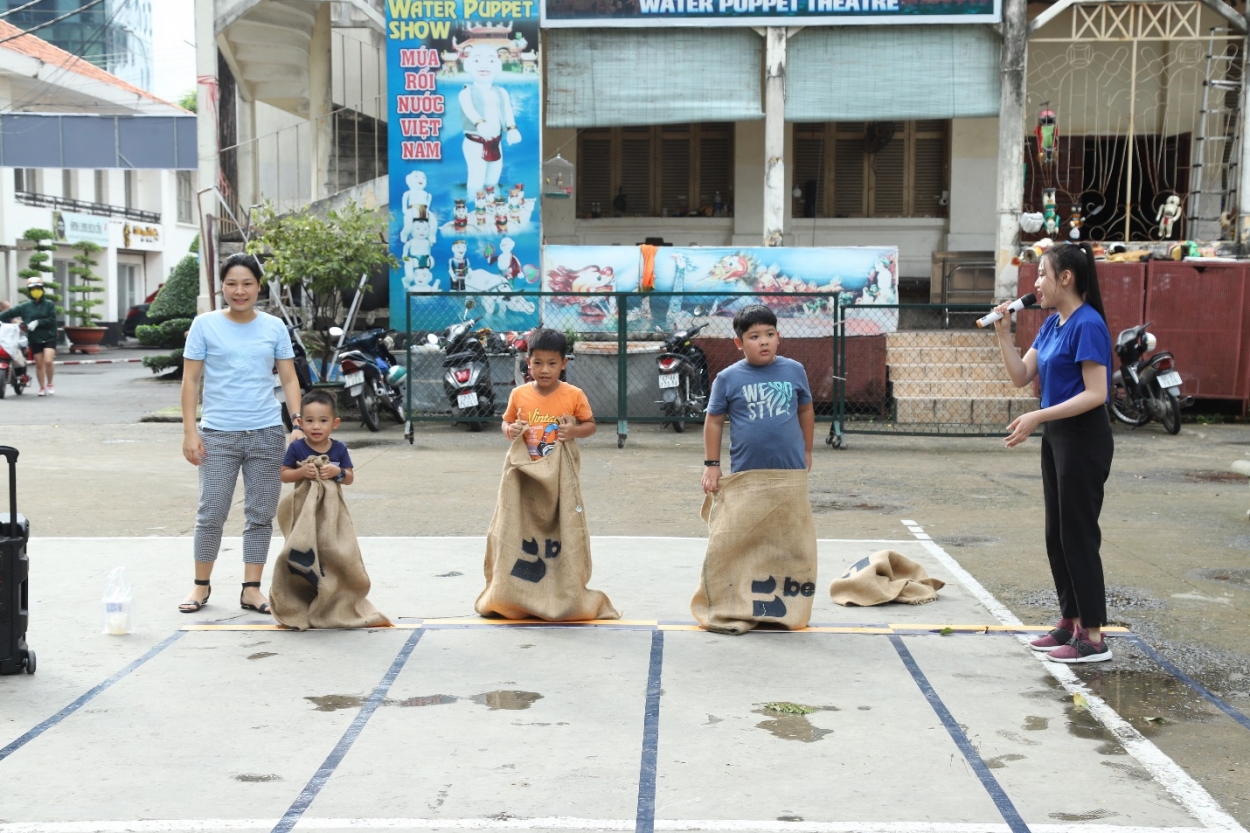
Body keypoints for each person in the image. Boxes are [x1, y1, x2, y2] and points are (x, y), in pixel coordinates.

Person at [992, 241, 1114, 664]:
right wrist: (1004, 335)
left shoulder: (1088, 324)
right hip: (1058, 435)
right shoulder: (1052, 326)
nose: (1036, 284)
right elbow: (1021, 375)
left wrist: (1039, 416)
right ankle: (1071, 620)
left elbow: (1096, 394)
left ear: (1066, 278)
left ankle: (1094, 637)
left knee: (1078, 534)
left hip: (1084, 436)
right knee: (1056, 534)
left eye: (1042, 274)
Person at [179, 253, 304, 615]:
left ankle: (252, 589)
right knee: (211, 512)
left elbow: (289, 378)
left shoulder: (274, 327)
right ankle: (200, 586)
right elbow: (190, 381)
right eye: (231, 283)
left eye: (247, 283)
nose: (239, 291)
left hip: (266, 433)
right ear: (222, 287)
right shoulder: (205, 325)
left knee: (260, 514)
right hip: (217, 434)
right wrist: (191, 431)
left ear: (258, 287)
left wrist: (296, 424)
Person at [702, 305, 814, 495]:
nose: (764, 342)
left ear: (778, 337)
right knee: (749, 521)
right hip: (747, 471)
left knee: (789, 521)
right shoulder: (726, 378)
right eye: (754, 337)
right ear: (739, 342)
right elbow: (714, 421)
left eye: (769, 334)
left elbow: (805, 410)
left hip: (791, 468)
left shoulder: (795, 370)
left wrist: (807, 451)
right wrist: (712, 464)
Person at [502, 328, 595, 457]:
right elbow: (507, 421)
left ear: (563, 363)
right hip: (526, 467)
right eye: (538, 363)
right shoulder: (518, 394)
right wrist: (508, 429)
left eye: (552, 363)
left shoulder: (574, 395)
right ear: (529, 363)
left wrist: (575, 431)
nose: (545, 370)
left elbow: (590, 425)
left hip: (560, 468)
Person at [280, 390, 354, 487]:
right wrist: (301, 472)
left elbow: (349, 479)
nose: (316, 426)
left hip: (331, 500)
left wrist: (338, 472)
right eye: (309, 420)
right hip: (304, 500)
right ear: (301, 423)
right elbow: (284, 475)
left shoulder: (339, 448)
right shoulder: (296, 447)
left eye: (323, 420)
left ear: (335, 423)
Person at [0, 277, 59, 396]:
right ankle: (42, 387)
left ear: (41, 289)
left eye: (37, 288)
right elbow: (9, 313)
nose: (35, 290)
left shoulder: (49, 304)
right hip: (34, 337)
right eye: (32, 289)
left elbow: (52, 319)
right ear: (29, 291)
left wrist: (38, 322)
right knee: (39, 363)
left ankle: (50, 383)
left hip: (49, 336)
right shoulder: (25, 306)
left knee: (48, 361)